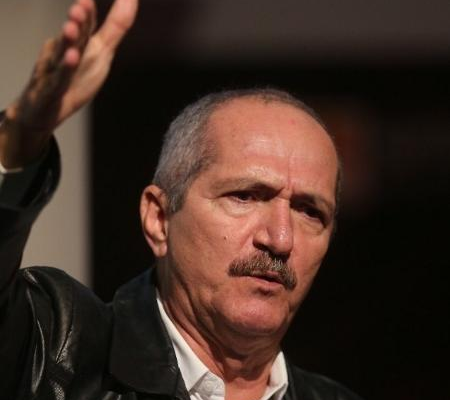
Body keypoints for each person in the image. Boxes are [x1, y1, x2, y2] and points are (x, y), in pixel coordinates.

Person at [0, 0, 363, 399]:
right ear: (159, 219)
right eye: (245, 196)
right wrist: (19, 140)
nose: (280, 239)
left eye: (310, 211)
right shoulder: (57, 348)